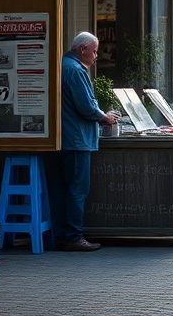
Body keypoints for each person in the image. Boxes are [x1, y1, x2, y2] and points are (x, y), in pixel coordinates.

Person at [47, 31, 120, 252]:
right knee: (77, 190)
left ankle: (60, 234)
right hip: (77, 139)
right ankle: (73, 236)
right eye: (95, 51)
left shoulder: (61, 64)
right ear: (83, 50)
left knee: (60, 189)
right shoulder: (76, 70)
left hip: (61, 138)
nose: (97, 55)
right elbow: (85, 106)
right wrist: (104, 117)